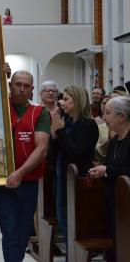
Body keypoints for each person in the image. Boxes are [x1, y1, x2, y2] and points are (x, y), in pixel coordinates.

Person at [0, 71, 50, 262]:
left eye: (26, 86)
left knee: (23, 230)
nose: (21, 89)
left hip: (28, 181)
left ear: (32, 89)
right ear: (10, 86)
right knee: (9, 230)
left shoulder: (40, 113)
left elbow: (41, 148)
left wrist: (20, 173)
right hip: (3, 181)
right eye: (17, 84)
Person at [50, 85, 98, 259]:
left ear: (77, 101)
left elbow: (76, 152)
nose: (62, 102)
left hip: (78, 183)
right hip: (61, 178)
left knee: (76, 227)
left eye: (67, 99)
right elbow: (52, 155)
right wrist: (54, 135)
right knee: (65, 224)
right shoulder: (67, 122)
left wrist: (60, 131)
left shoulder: (89, 125)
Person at [89, 96, 130, 261]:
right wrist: (101, 171)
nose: (104, 117)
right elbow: (109, 166)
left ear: (122, 116)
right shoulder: (114, 140)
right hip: (114, 202)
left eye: (108, 113)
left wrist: (107, 170)